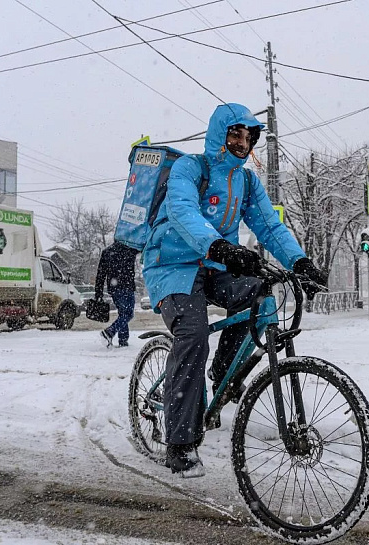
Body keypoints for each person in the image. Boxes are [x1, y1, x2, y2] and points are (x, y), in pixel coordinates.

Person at [142, 103, 327, 478]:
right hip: (172, 266)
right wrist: (218, 246)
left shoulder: (246, 181)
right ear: (219, 135)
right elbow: (182, 211)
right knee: (193, 334)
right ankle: (180, 442)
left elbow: (269, 227)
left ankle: (223, 377)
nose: (242, 143)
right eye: (235, 134)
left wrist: (299, 263)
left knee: (260, 293)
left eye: (249, 136)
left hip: (214, 266)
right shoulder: (190, 169)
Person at [94, 241, 139, 347]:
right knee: (128, 314)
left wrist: (98, 292)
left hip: (115, 288)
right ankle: (110, 331)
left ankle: (123, 340)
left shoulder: (107, 251)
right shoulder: (130, 249)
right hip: (128, 287)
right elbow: (143, 246)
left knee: (123, 314)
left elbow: (101, 274)